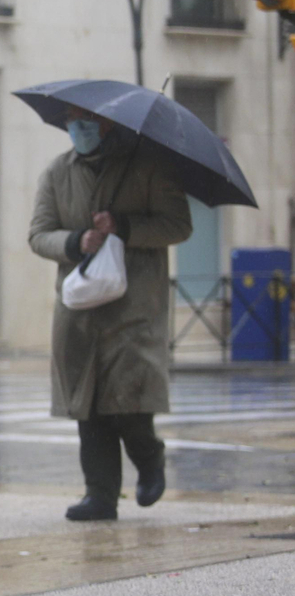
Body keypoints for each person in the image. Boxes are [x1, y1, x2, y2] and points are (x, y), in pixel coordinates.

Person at [29, 105, 191, 521]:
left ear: (108, 124)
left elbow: (178, 225)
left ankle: (149, 458)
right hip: (79, 305)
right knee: (89, 404)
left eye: (86, 121)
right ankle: (99, 493)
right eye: (70, 121)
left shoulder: (148, 166)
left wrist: (124, 225)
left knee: (130, 400)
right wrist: (75, 242)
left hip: (134, 305)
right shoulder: (56, 172)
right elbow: (38, 234)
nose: (77, 129)